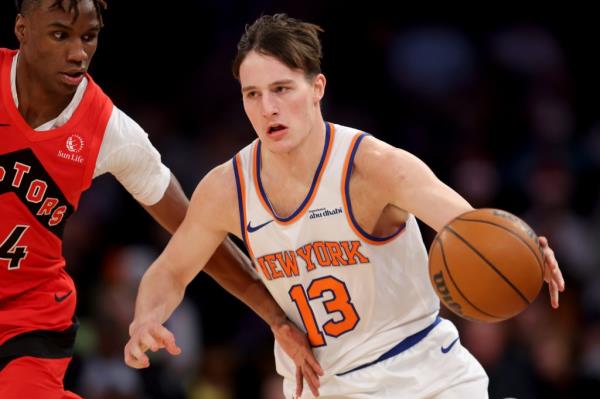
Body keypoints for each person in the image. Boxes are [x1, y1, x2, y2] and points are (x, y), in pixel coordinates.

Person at [124, 14, 565, 399]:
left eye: (281, 88)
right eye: (252, 94)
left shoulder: (374, 167)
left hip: (425, 377)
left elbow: (469, 227)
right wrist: (146, 318)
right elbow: (171, 270)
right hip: (324, 386)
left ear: (317, 87)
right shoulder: (227, 188)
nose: (268, 108)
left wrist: (522, 247)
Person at [0, 3, 319, 398]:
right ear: (22, 29)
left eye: (89, 36)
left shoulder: (109, 131)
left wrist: (275, 316)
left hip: (29, 315)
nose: (78, 53)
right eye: (60, 34)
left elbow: (196, 232)